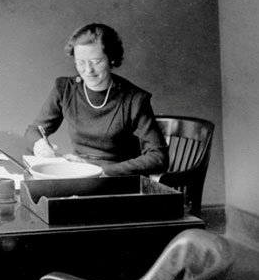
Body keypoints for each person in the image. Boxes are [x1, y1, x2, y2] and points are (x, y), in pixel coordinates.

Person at [24, 23, 168, 176]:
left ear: (111, 58)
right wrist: (40, 144)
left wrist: (101, 171)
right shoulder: (65, 89)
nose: (88, 71)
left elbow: (158, 158)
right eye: (80, 62)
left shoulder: (134, 99)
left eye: (96, 62)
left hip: (116, 180)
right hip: (78, 175)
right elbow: (33, 131)